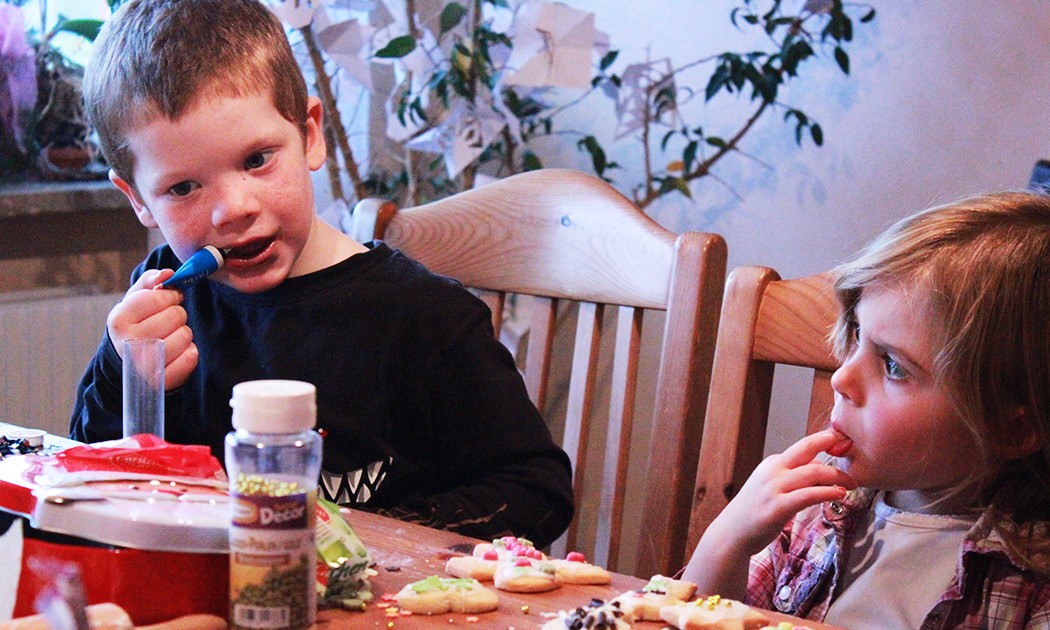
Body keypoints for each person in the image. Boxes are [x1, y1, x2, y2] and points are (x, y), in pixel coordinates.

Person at [69, 0, 573, 548]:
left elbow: (536, 488)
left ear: (309, 135)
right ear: (138, 199)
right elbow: (88, 482)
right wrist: (123, 371)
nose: (233, 209)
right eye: (183, 188)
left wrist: (359, 541)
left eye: (257, 159)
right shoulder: (164, 297)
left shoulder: (425, 317)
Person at [683, 192, 1050, 628]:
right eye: (857, 335)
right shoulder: (812, 511)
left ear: (1010, 430)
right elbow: (686, 618)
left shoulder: (1031, 582)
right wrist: (728, 539)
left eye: (893, 366)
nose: (842, 378)